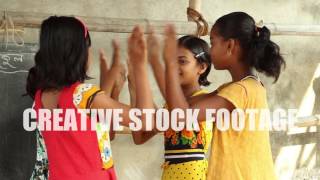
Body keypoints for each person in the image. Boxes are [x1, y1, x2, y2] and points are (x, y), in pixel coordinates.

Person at [26, 16, 153, 180]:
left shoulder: (40, 96)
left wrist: (111, 85)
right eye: (88, 48)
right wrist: (140, 66)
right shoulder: (82, 94)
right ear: (79, 53)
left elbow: (100, 132)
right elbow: (145, 121)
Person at [162, 11, 285, 180]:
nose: (210, 51)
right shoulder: (243, 87)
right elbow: (185, 104)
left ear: (230, 46)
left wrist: (169, 67)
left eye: (212, 43)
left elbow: (181, 116)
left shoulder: (240, 91)